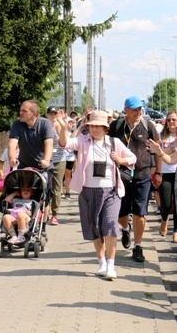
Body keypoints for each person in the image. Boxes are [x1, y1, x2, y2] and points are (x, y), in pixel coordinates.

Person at [58, 109, 136, 280]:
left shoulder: (114, 143)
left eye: (98, 126)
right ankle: (101, 262)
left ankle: (111, 264)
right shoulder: (83, 141)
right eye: (92, 126)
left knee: (109, 225)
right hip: (87, 190)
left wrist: (121, 160)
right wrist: (64, 128)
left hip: (111, 191)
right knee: (94, 227)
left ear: (105, 128)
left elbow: (132, 158)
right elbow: (65, 144)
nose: (95, 129)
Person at [108, 96, 162, 263]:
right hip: (121, 175)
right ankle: (125, 228)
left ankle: (138, 246)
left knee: (140, 212)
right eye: (134, 109)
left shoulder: (148, 126)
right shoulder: (116, 126)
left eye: (139, 109)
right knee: (121, 213)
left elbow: (158, 150)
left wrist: (158, 172)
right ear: (126, 110)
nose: (138, 112)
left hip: (142, 174)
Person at [7, 100, 54, 236]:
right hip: (25, 167)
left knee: (44, 198)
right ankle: (20, 222)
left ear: (34, 113)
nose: (20, 113)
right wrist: (11, 158)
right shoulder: (17, 124)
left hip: (43, 168)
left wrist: (46, 160)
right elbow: (12, 144)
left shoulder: (45, 124)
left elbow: (49, 144)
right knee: (23, 193)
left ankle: (42, 227)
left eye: (24, 111)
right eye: (20, 110)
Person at [158, 110, 177, 242]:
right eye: (169, 120)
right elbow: (157, 153)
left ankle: (176, 232)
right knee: (166, 203)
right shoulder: (161, 136)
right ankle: (164, 219)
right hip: (165, 171)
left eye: (174, 119)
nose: (171, 122)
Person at [46, 106, 67, 225]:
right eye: (51, 113)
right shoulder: (44, 126)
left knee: (57, 189)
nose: (53, 116)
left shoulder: (61, 126)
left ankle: (55, 214)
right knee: (45, 187)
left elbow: (64, 142)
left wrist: (61, 125)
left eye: (55, 113)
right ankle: (45, 211)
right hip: (46, 160)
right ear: (47, 114)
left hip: (59, 160)